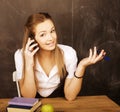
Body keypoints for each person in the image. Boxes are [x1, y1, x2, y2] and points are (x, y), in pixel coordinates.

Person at [14, 12, 106, 101]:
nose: (51, 38)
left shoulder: (68, 53)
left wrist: (81, 66)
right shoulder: (20, 55)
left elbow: (70, 96)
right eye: (43, 34)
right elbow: (28, 98)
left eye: (52, 31)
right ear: (32, 40)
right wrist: (29, 64)